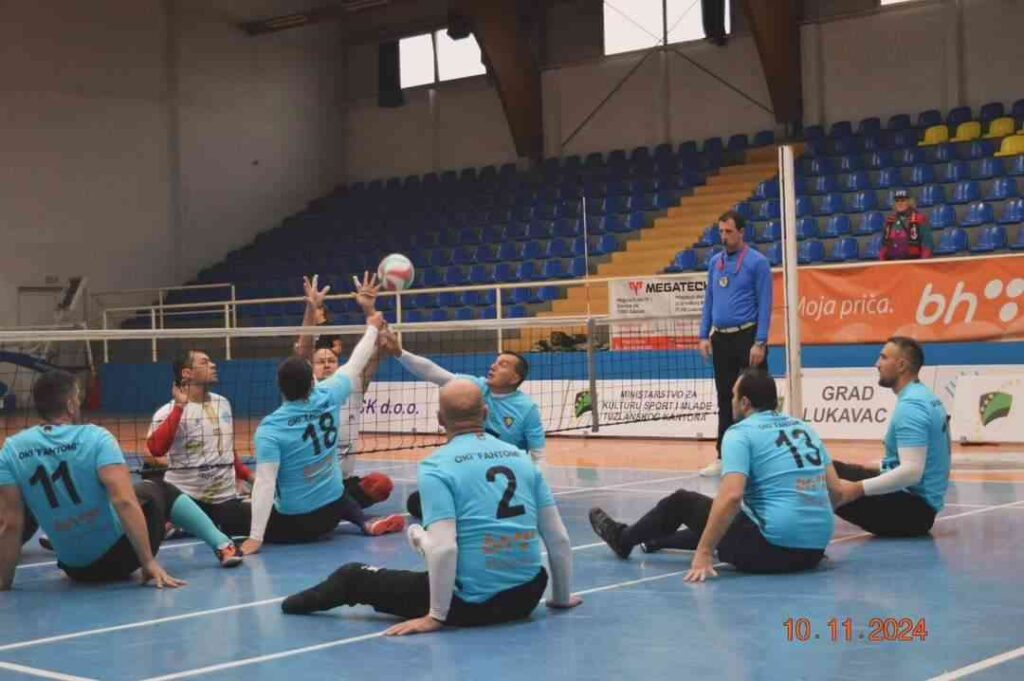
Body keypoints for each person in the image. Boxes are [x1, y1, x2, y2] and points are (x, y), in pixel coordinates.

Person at [280, 379, 580, 634]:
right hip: (527, 596)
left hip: (473, 605)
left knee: (353, 576)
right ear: (486, 413)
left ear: (439, 419)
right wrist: (561, 598)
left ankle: (288, 606)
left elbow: (445, 548)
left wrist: (435, 616)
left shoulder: (437, 466)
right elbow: (558, 538)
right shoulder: (522, 459)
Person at [589, 369, 845, 581]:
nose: (730, 400)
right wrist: (805, 527)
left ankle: (622, 539)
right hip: (814, 552)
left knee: (682, 501)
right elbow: (836, 491)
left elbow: (732, 497)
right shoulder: (804, 428)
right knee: (731, 518)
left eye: (733, 395)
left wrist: (703, 553)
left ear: (745, 402)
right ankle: (657, 539)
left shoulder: (740, 433)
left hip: (770, 553)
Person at [0, 370, 242, 590]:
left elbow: (11, 524)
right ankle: (223, 545)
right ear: (71, 404)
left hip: (75, 569)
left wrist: (4, 580)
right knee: (160, 489)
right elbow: (123, 501)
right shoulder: (95, 438)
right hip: (118, 561)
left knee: (137, 491)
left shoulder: (11, 449)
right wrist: (148, 562)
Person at [240, 312, 404, 555]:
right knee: (337, 486)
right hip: (332, 513)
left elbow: (265, 483)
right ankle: (363, 521)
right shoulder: (329, 394)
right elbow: (356, 363)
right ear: (311, 382)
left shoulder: (271, 428)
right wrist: (371, 328)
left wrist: (255, 538)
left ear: (280, 386)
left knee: (232, 512)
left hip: (297, 525)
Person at [382, 330, 545, 518]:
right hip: (471, 469)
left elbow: (538, 456)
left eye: (503, 365)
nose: (493, 366)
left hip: (502, 475)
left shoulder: (527, 408)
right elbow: (434, 373)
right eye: (495, 362)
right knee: (416, 502)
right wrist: (399, 353)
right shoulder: (476, 386)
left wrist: (537, 493)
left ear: (515, 378)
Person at [829, 337, 951, 537]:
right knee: (827, 467)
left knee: (814, 476)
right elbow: (923, 459)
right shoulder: (924, 396)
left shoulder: (911, 407)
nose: (876, 364)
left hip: (912, 512)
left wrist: (857, 489)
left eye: (883, 358)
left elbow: (912, 472)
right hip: (916, 505)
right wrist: (879, 466)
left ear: (901, 365)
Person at [296, 273, 393, 509]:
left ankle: (339, 507)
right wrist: (311, 309)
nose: (327, 364)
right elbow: (303, 349)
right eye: (320, 361)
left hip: (344, 480)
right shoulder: (307, 387)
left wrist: (369, 308)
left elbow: (384, 345)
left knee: (382, 485)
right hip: (314, 481)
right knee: (329, 503)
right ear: (312, 367)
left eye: (331, 360)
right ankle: (339, 509)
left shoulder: (353, 384)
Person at [698, 209, 773, 477]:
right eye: (721, 231)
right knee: (725, 399)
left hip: (748, 337)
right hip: (721, 339)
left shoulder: (757, 262)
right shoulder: (715, 262)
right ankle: (724, 456)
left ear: (741, 232)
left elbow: (765, 303)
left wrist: (760, 342)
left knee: (758, 398)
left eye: (729, 231)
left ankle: (764, 456)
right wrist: (703, 335)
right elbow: (709, 299)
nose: (724, 236)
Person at [145, 349, 252, 536]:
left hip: (224, 498)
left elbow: (227, 450)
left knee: (256, 521)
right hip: (186, 498)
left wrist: (248, 476)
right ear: (187, 373)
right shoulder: (168, 411)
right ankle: (174, 521)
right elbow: (155, 450)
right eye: (205, 362)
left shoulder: (223, 403)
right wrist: (180, 407)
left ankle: (187, 526)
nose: (213, 365)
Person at [879, 190, 932, 261]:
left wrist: (923, 262)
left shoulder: (920, 219)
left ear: (910, 202)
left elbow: (927, 244)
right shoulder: (890, 220)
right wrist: (882, 262)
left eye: (903, 200)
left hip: (914, 261)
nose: (899, 203)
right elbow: (884, 246)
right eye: (897, 201)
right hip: (893, 262)